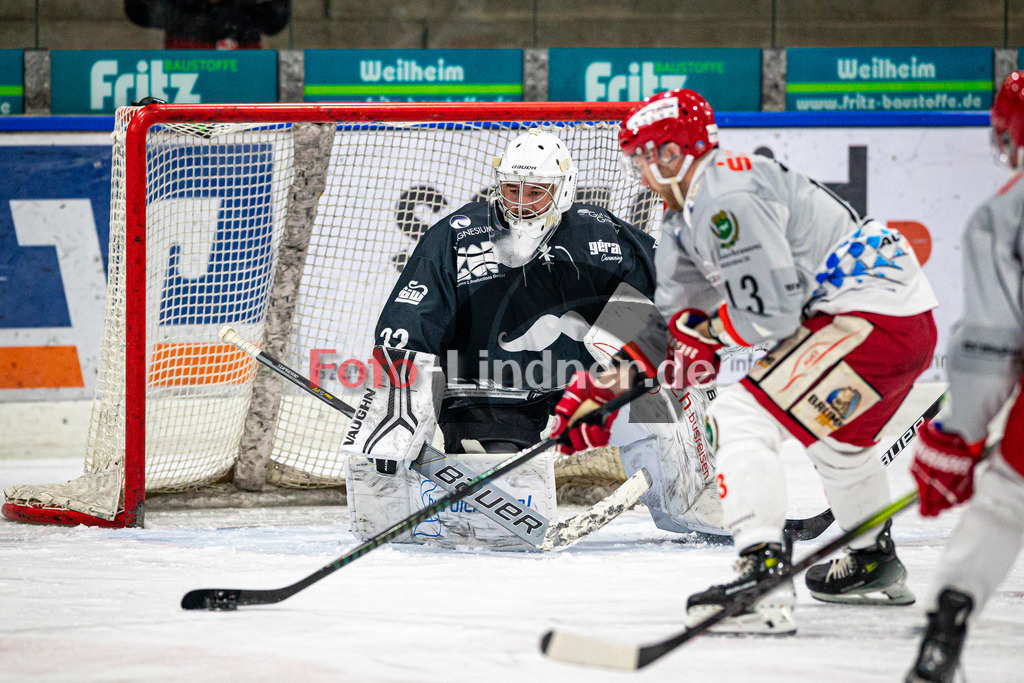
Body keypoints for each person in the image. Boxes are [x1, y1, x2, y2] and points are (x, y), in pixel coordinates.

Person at [552, 88, 939, 633]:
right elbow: (674, 330)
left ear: (673, 154)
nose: (637, 172)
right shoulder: (684, 217)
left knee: (739, 418)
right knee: (839, 443)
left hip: (870, 317)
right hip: (894, 320)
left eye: (643, 156)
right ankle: (873, 561)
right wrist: (605, 388)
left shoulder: (725, 195)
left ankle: (763, 581)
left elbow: (771, 317)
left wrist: (704, 336)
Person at [343, 128, 726, 546]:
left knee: (654, 351)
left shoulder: (597, 233)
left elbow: (672, 285)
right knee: (496, 502)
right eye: (512, 189)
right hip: (487, 385)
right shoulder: (458, 234)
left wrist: (719, 323)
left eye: (536, 192)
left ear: (562, 191)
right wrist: (398, 405)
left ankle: (693, 497)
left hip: (582, 380)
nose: (521, 203)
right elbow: (409, 320)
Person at [904, 71, 1024, 683]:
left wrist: (959, 437)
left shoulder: (1005, 214)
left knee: (1004, 501)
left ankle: (945, 630)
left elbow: (992, 343)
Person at [125, 0, 289, 49]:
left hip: (242, 97)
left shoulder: (250, 13)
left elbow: (276, 19)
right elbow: (138, 10)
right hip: (184, 98)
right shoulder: (176, 10)